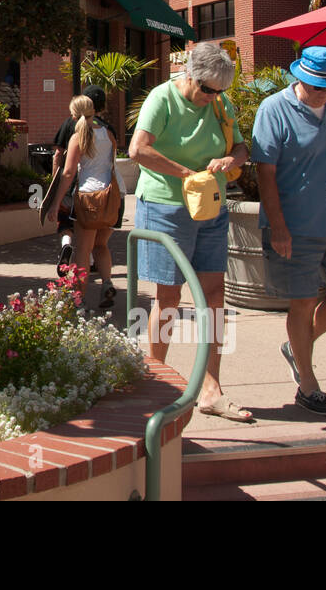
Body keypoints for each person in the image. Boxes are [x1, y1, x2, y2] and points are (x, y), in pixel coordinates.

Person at [129, 41, 251, 422]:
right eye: (207, 89)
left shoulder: (219, 104)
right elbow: (137, 150)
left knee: (215, 294)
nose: (212, 97)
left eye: (219, 92)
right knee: (168, 296)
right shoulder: (161, 99)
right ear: (189, 75)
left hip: (210, 206)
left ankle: (211, 389)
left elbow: (244, 150)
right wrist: (187, 174)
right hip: (165, 206)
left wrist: (230, 159)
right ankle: (155, 387)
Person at [252, 46, 326, 416]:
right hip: (296, 226)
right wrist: (279, 226)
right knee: (301, 302)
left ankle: (296, 345)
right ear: (299, 78)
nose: (325, 92)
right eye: (318, 86)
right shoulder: (273, 110)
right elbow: (264, 172)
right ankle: (308, 384)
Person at [52, 84, 121, 306]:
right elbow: (111, 164)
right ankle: (107, 283)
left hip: (89, 197)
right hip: (112, 197)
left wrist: (56, 202)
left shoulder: (77, 137)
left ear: (74, 114)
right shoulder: (108, 133)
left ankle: (78, 300)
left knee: (82, 250)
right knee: (101, 245)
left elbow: (69, 172)